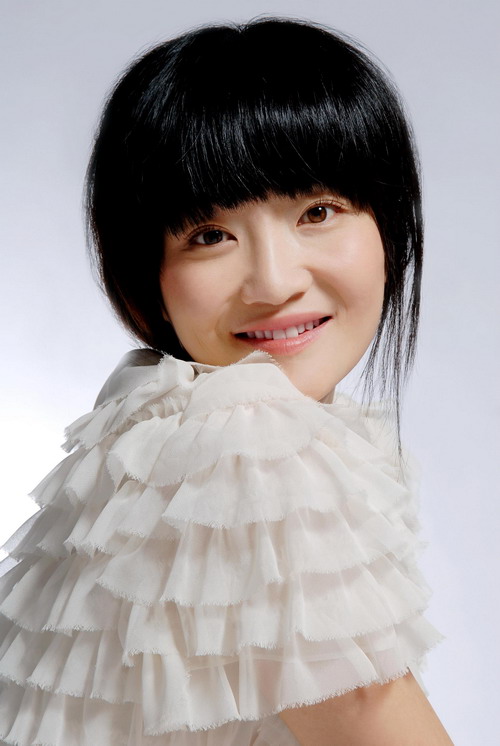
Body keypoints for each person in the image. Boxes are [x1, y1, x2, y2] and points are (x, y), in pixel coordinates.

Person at [0, 16, 453, 746]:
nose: (274, 282)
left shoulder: (147, 432)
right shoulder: (245, 457)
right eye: (209, 235)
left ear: (389, 227)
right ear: (147, 275)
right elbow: (370, 718)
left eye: (318, 211)